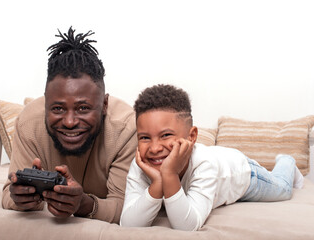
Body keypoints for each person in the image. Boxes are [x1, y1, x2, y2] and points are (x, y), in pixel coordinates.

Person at [119, 84, 304, 231]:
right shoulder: (143, 164)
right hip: (220, 169)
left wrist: (168, 175)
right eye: (144, 138)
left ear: (191, 137)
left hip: (243, 173)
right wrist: (157, 183)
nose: (154, 148)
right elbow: (127, 224)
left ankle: (286, 160)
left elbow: (187, 226)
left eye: (166, 135)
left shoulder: (204, 163)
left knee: (284, 189)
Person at [2, 27, 137, 224]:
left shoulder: (126, 129)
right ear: (45, 103)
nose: (70, 122)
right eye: (57, 109)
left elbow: (124, 207)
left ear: (105, 105)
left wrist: (84, 205)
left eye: (83, 108)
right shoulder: (29, 122)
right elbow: (8, 194)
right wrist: (24, 198)